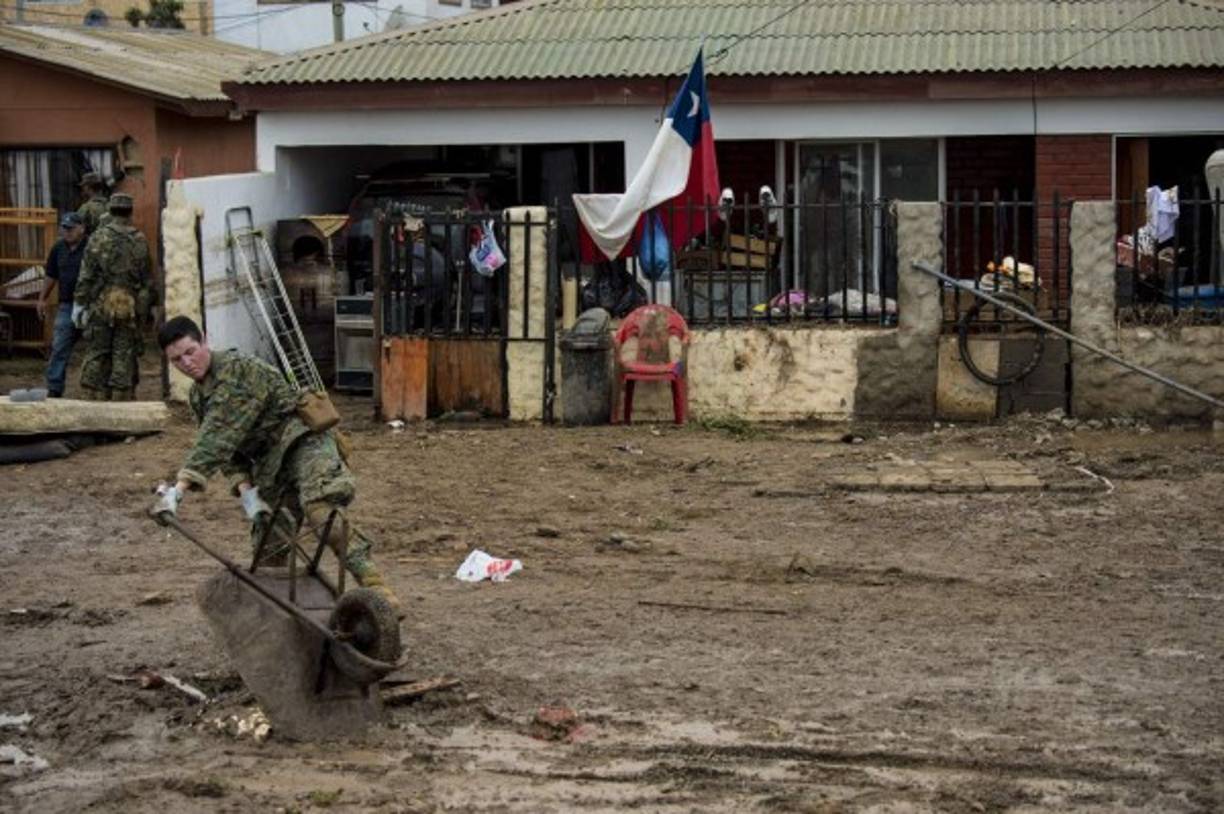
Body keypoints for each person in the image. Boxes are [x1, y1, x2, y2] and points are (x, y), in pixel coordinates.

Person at [151, 316, 398, 608]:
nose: (186, 363)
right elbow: (230, 454)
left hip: (303, 440)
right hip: (270, 462)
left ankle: (378, 591)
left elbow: (217, 436)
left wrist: (177, 491)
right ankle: (287, 612)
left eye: (190, 352)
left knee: (322, 511)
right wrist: (248, 496)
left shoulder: (236, 371)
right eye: (176, 360)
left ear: (205, 340)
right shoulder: (198, 397)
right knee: (269, 542)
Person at [73, 193, 151, 401]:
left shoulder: (98, 237)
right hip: (128, 304)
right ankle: (121, 400)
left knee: (98, 350)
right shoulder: (139, 239)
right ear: (130, 212)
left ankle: (92, 397)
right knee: (123, 352)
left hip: (102, 301)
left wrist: (79, 304)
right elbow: (146, 280)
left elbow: (86, 275)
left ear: (110, 210)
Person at [36, 212, 88, 397]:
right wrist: (42, 298)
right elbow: (51, 275)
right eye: (64, 228)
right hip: (67, 305)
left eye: (70, 228)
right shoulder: (58, 248)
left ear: (82, 228)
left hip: (90, 306)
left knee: (96, 348)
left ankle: (95, 390)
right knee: (59, 347)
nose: (67, 232)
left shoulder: (92, 248)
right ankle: (55, 389)